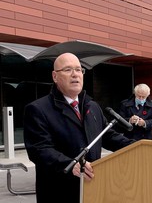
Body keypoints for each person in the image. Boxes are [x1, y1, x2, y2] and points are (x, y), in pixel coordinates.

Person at [23, 53, 136, 203]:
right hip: (59, 191)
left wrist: (138, 146)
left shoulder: (92, 106)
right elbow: (39, 150)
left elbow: (108, 136)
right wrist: (70, 164)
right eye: (68, 70)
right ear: (55, 76)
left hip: (92, 188)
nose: (75, 74)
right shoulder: (38, 109)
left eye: (78, 70)